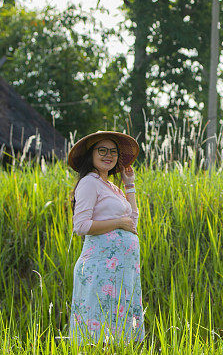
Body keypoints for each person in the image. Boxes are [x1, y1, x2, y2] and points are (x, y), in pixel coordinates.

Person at [66, 130, 144, 345]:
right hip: (100, 270)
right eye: (102, 150)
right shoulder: (89, 182)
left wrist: (130, 186)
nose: (108, 155)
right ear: (91, 154)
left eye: (113, 152)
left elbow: (132, 222)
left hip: (121, 272)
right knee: (97, 336)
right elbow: (81, 226)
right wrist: (118, 223)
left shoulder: (112, 187)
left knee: (118, 337)